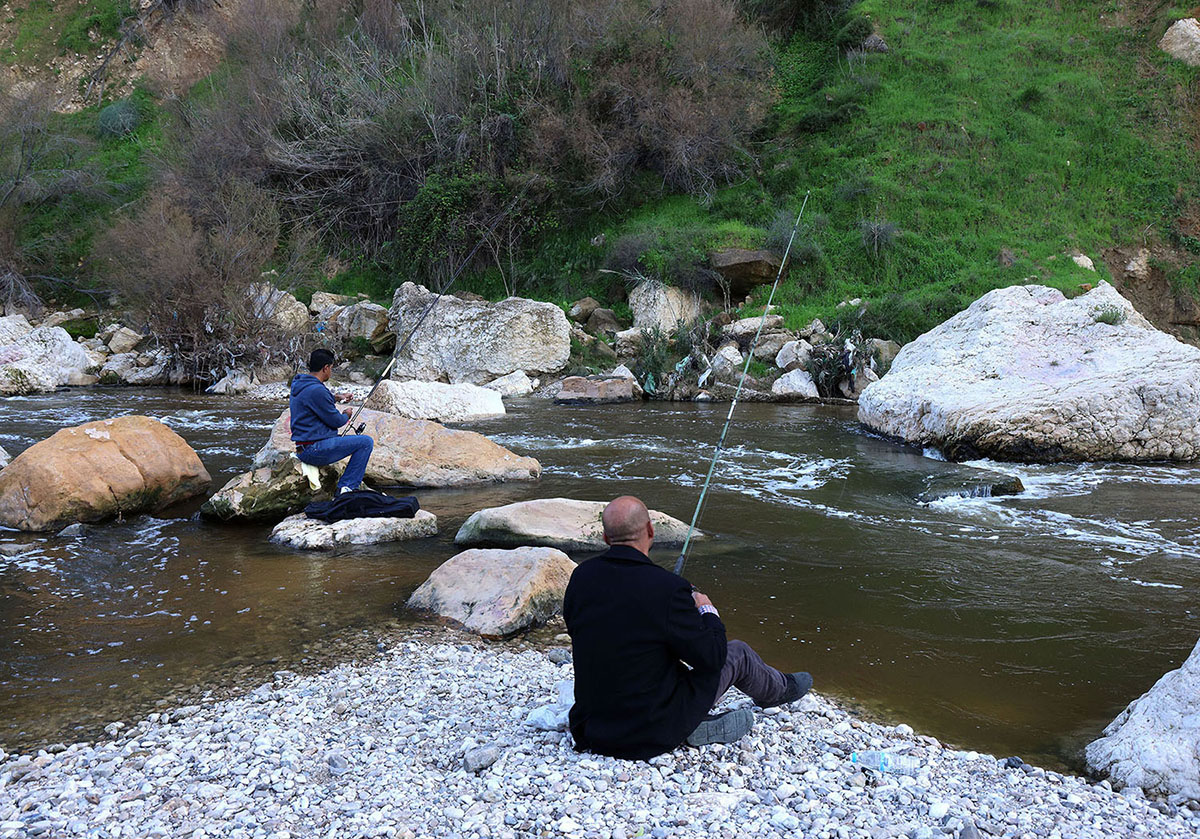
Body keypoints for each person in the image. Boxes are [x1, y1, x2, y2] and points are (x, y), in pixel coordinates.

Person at [563, 495, 812, 760]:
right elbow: (712, 659)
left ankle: (695, 720)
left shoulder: (581, 577)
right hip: (649, 731)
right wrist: (706, 610)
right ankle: (778, 691)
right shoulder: (668, 589)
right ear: (650, 531)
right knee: (737, 653)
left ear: (605, 538)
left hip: (592, 727)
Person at [289, 349, 374, 495]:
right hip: (314, 450)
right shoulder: (317, 390)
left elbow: (315, 399)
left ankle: (347, 487)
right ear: (326, 368)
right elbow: (336, 421)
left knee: (359, 442)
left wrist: (336, 397)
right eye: (331, 368)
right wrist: (346, 415)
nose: (331, 372)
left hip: (304, 448)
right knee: (365, 442)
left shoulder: (301, 384)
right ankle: (347, 488)